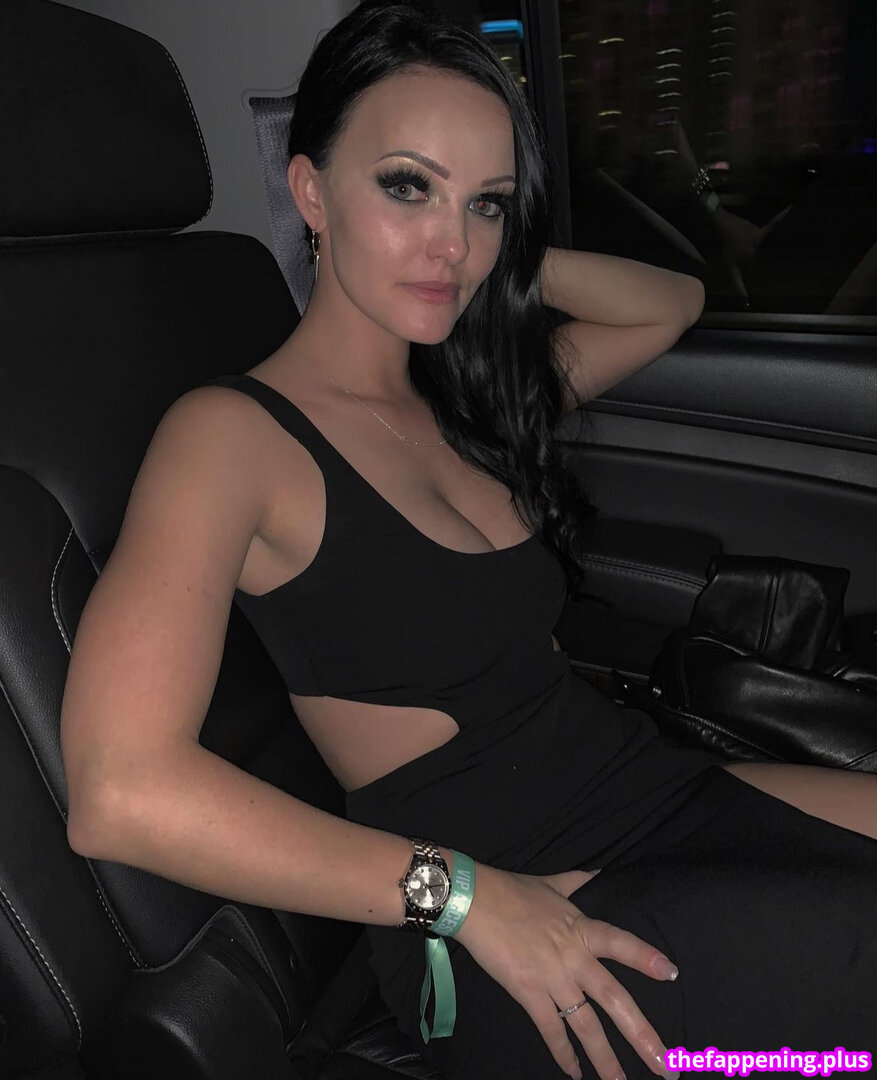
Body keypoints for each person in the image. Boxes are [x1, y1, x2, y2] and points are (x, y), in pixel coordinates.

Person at [60, 3, 877, 1079]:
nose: (451, 243)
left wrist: (498, 261)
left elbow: (668, 304)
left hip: (642, 784)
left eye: (485, 201)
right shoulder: (229, 437)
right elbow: (118, 794)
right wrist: (462, 896)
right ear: (310, 191)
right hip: (495, 904)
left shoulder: (467, 399)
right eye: (407, 186)